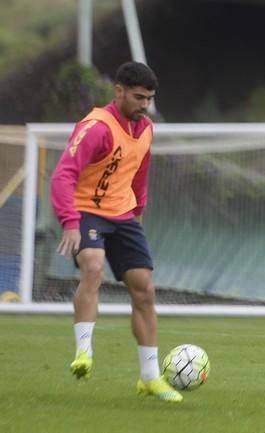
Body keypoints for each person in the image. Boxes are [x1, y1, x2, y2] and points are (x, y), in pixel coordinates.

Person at [50, 61, 182, 402]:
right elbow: (63, 175)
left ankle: (150, 378)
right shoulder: (96, 127)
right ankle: (84, 353)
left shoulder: (147, 128)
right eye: (138, 97)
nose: (144, 105)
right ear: (119, 91)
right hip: (86, 210)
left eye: (149, 99)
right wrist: (70, 222)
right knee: (92, 266)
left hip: (123, 215)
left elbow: (140, 172)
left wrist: (137, 212)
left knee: (145, 291)